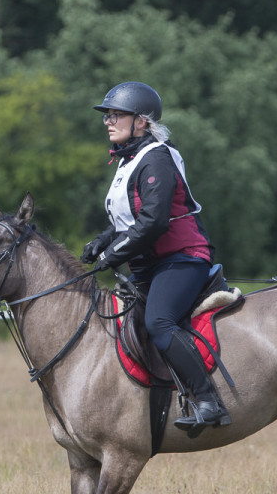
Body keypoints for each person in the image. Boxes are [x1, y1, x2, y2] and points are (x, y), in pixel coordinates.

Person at [80, 81, 231, 432]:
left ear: (142, 122)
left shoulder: (157, 158)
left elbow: (153, 222)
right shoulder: (128, 160)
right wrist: (102, 241)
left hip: (181, 258)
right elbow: (128, 220)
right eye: (108, 115)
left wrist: (113, 255)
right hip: (152, 265)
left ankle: (209, 402)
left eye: (117, 114)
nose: (108, 121)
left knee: (158, 322)